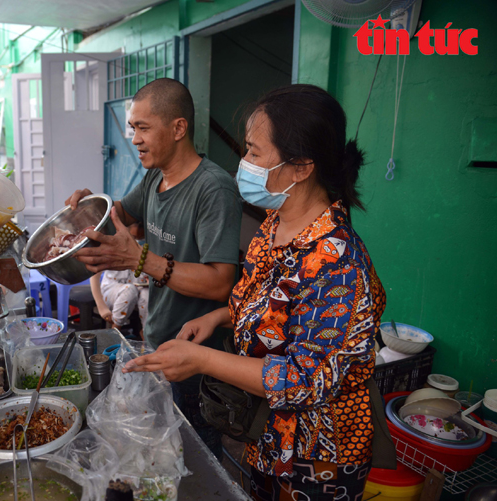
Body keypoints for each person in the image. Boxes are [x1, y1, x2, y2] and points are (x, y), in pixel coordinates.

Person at [123, 84, 386, 501]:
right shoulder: (275, 223)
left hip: (317, 457)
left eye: (253, 153)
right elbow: (257, 294)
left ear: (300, 168)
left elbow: (302, 378)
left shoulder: (338, 264)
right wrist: (215, 317)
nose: (242, 163)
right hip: (264, 433)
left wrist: (203, 359)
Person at [66, 78, 242, 458]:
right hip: (159, 340)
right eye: (133, 128)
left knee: (197, 457)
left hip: (199, 361)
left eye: (143, 128)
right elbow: (120, 215)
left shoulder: (213, 189)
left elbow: (220, 283)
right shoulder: (154, 178)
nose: (134, 138)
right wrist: (87, 210)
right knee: (162, 454)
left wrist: (140, 259)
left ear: (178, 128)